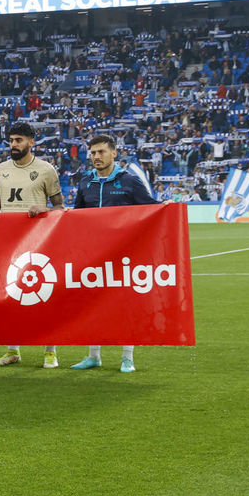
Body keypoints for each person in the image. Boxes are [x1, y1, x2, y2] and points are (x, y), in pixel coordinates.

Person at [70, 134, 156, 373]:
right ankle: (93, 355)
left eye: (101, 152)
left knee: (125, 307)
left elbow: (151, 210)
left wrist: (167, 210)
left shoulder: (129, 182)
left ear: (114, 153)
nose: (96, 157)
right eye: (93, 153)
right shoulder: (85, 183)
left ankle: (127, 357)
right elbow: (77, 218)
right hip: (93, 258)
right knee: (91, 306)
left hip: (124, 258)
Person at [0, 122, 64, 368]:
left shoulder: (46, 170)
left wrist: (45, 209)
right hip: (8, 242)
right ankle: (13, 350)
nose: (14, 145)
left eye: (19, 140)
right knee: (10, 297)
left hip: (40, 242)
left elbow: (60, 207)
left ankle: (50, 352)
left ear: (32, 142)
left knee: (43, 297)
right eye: (11, 140)